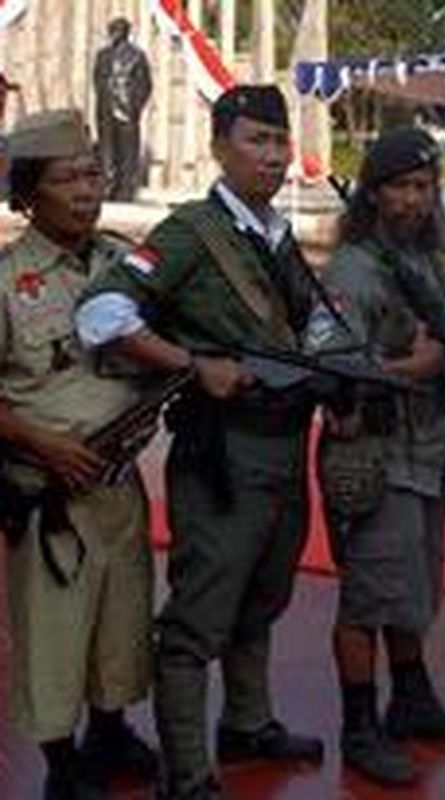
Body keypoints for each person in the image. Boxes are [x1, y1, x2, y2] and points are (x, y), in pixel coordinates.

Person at [75, 85, 324, 800]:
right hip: (222, 452)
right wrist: (191, 363)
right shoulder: (191, 230)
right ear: (219, 146)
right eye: (257, 141)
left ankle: (247, 722)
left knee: (263, 594)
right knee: (199, 615)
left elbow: (309, 329)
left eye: (280, 143)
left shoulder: (276, 234)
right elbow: (104, 309)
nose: (273, 157)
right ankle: (188, 773)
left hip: (281, 445)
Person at [0, 108, 158, 799]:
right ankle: (63, 765)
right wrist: (44, 445)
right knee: (54, 630)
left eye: (93, 173)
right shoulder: (7, 280)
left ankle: (111, 730)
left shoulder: (123, 264)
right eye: (67, 178)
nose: (87, 189)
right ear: (30, 194)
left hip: (119, 485)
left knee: (122, 618)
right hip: (49, 491)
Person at [317, 126, 445, 788]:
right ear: (374, 194)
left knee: (413, 588)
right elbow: (333, 369)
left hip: (427, 450)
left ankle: (411, 699)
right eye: (402, 187)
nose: (416, 199)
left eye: (424, 186)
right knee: (368, 598)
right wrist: (426, 362)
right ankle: (359, 727)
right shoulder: (354, 269)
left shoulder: (415, 261)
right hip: (377, 454)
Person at [92, 17, 151, 201]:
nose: (114, 34)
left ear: (126, 32)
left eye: (118, 30)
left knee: (128, 152)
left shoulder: (137, 55)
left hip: (128, 111)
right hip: (105, 109)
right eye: (112, 30)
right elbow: (97, 79)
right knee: (106, 150)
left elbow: (146, 84)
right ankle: (107, 187)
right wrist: (103, 99)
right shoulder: (102, 55)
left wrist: (135, 106)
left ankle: (126, 190)